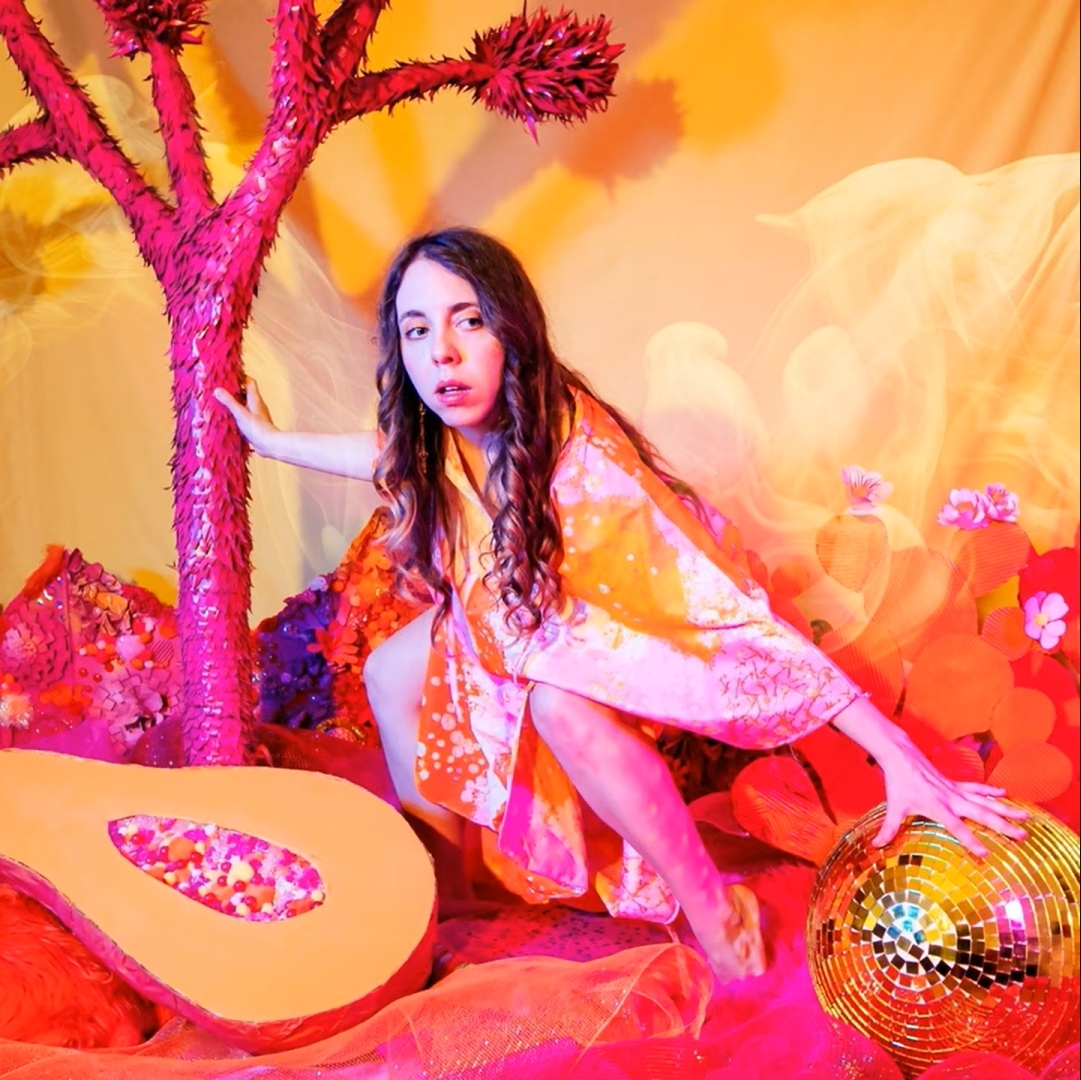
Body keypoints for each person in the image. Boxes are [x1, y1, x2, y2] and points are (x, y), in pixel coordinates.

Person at [214, 227, 1027, 984]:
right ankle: (445, 901)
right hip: (512, 629)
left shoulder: (587, 463)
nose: (442, 354)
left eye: (469, 320)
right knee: (394, 670)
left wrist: (895, 754)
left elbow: (724, 613)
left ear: (512, 331)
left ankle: (716, 913)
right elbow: (384, 454)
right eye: (417, 330)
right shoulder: (440, 429)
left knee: (560, 706)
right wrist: (266, 441)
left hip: (612, 637)